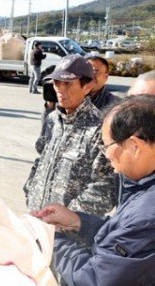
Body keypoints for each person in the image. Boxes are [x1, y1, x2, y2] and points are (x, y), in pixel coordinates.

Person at [33, 95, 155, 286]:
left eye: (108, 146)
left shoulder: (147, 214)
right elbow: (121, 232)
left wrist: (51, 238)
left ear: (134, 146)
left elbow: (95, 279)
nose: (106, 154)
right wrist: (78, 221)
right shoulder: (143, 185)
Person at [25, 54, 117, 216]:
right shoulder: (53, 119)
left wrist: (69, 215)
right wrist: (30, 190)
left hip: (70, 233)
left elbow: (104, 187)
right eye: (56, 83)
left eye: (67, 84)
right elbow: (41, 159)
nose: (60, 89)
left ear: (87, 87)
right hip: (38, 218)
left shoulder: (100, 128)